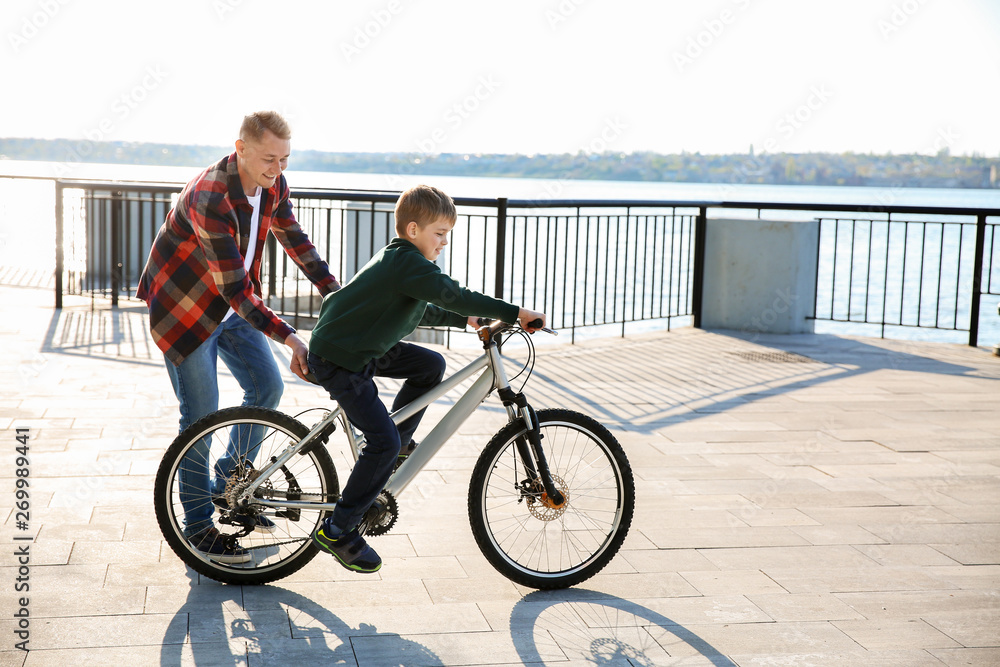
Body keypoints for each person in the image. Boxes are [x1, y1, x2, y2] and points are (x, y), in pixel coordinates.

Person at [306, 184, 545, 573]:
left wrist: (469, 320)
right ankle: (338, 529)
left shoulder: (403, 264)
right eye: (440, 234)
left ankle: (396, 447)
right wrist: (514, 311)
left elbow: (424, 311)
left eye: (448, 235)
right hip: (341, 358)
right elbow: (450, 293)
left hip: (358, 346)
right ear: (413, 229)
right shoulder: (408, 264)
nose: (444, 243)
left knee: (429, 365)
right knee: (379, 442)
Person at [137, 111, 340, 563]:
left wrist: (334, 292)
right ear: (241, 148)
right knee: (200, 419)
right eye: (270, 157)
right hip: (186, 310)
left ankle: (230, 484)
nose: (277, 168)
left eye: (285, 159)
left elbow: (294, 238)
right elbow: (233, 288)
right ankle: (196, 528)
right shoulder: (211, 194)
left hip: (232, 306)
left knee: (267, 386)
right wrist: (290, 337)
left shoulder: (273, 183)